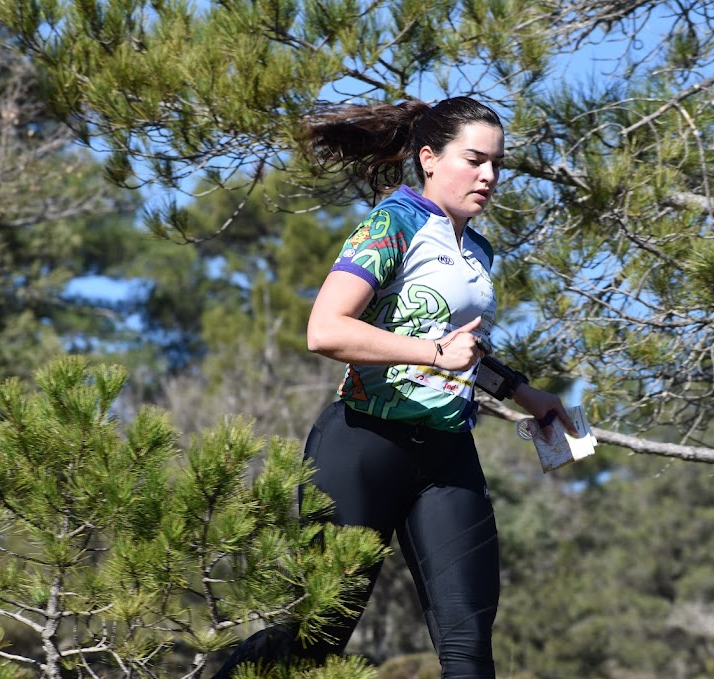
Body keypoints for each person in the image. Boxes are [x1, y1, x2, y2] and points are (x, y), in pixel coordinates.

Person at [212, 96, 577, 679]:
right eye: (475, 159)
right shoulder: (394, 222)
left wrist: (521, 393)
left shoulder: (478, 249)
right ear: (429, 159)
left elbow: (460, 346)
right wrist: (435, 353)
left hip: (446, 452)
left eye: (497, 164)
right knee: (317, 640)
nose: (489, 176)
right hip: (363, 443)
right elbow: (325, 330)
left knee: (469, 647)